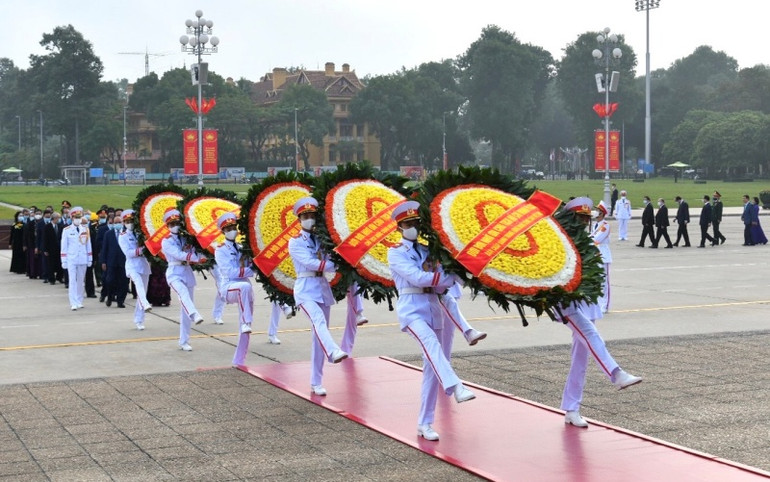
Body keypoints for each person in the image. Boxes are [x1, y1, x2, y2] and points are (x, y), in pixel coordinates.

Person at [387, 200, 475, 442]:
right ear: (399, 227)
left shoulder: (428, 250)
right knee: (432, 346)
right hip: (412, 311)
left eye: (416, 222)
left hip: (433, 309)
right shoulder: (394, 252)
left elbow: (444, 275)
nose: (413, 226)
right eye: (408, 223)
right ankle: (456, 386)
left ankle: (424, 423)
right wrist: (444, 279)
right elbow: (417, 278)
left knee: (431, 369)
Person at [560, 197, 643, 428]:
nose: (585, 222)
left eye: (587, 219)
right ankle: (616, 374)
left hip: (587, 302)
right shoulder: (562, 241)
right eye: (581, 218)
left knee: (581, 358)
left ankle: (571, 407)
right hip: (568, 303)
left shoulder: (586, 240)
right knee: (591, 335)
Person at [287, 197, 348, 396]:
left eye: (312, 216)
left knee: (318, 335)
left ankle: (316, 381)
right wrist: (336, 266)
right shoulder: (295, 241)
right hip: (305, 290)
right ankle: (333, 351)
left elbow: (331, 257)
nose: (309, 219)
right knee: (318, 320)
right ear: (299, 219)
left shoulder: (323, 239)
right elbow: (310, 263)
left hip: (322, 288)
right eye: (305, 216)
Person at [160, 208, 207, 351]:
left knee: (185, 307)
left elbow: (192, 251)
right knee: (183, 295)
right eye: (172, 223)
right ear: (167, 226)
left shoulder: (186, 238)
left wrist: (201, 256)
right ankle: (194, 314)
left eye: (177, 222)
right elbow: (179, 254)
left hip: (187, 271)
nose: (175, 225)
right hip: (174, 272)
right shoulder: (166, 241)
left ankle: (184, 340)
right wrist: (196, 259)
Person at [213, 212, 256, 366]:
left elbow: (251, 265)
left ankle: (239, 360)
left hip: (245, 289)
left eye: (233, 227)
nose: (232, 230)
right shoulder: (220, 249)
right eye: (228, 228)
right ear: (223, 231)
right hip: (229, 287)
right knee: (244, 287)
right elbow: (230, 272)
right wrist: (252, 270)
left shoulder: (242, 247)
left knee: (246, 329)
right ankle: (246, 321)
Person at [117, 210, 152, 331]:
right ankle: (145, 303)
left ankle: (139, 319)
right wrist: (142, 250)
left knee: (143, 290)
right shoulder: (122, 236)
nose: (129, 223)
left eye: (131, 221)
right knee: (138, 285)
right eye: (127, 221)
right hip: (132, 265)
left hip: (144, 265)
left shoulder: (140, 233)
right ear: (123, 223)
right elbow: (128, 252)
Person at [60, 207, 93, 311]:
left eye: (79, 217)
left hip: (83, 258)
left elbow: (88, 245)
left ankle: (79, 300)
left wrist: (90, 258)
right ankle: (73, 302)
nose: (78, 219)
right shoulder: (67, 230)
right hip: (71, 258)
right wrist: (63, 260)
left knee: (80, 281)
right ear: (72, 218)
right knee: (72, 281)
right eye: (76, 217)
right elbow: (64, 246)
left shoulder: (85, 229)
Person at [100, 215, 128, 309]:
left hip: (123, 261)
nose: (117, 224)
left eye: (119, 222)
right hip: (111, 262)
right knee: (110, 281)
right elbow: (104, 248)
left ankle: (120, 301)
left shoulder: (126, 233)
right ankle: (110, 296)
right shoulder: (108, 234)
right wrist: (103, 261)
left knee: (123, 282)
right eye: (115, 223)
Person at [591, 201, 612, 313]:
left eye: (598, 211)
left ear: (602, 214)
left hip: (603, 255)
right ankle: (598, 303)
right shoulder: (596, 225)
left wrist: (586, 241)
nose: (595, 213)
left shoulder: (605, 226)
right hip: (594, 254)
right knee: (596, 281)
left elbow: (597, 239)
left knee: (604, 282)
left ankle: (604, 305)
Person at [43, 211, 64, 284]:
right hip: (50, 248)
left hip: (59, 248)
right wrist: (45, 249)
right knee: (51, 264)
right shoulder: (47, 226)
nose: (59, 219)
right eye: (58, 218)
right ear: (54, 218)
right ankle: (51, 279)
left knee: (59, 264)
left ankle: (60, 277)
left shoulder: (60, 226)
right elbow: (45, 238)